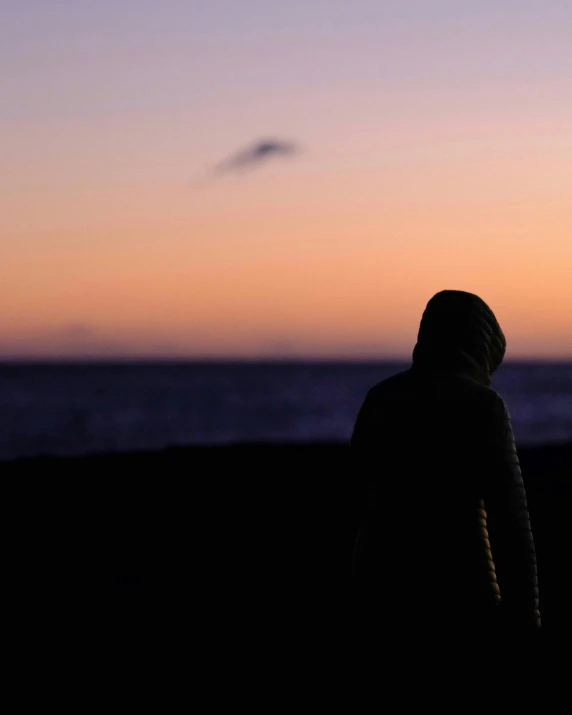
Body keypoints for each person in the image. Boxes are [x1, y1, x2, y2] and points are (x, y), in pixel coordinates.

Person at [349, 289, 540, 653]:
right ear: (480, 345)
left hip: (378, 593)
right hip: (464, 596)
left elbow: (352, 500)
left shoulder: (381, 398)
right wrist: (526, 622)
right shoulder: (484, 406)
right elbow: (511, 527)